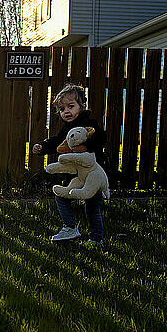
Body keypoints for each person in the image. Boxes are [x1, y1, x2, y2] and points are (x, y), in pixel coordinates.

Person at [32, 84, 107, 247]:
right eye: (62, 109)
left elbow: (101, 138)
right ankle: (70, 227)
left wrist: (87, 147)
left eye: (71, 106)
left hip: (92, 174)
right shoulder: (67, 127)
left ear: (82, 106)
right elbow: (58, 142)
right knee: (61, 196)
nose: (66, 111)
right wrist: (43, 147)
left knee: (92, 208)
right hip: (75, 175)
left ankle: (96, 239)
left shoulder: (88, 123)